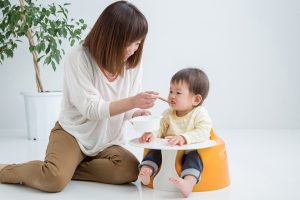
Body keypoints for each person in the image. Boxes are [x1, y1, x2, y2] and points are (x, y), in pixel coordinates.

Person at [0, 1, 159, 192]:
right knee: (54, 180)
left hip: (106, 141)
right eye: (131, 43)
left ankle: (64, 167)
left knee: (130, 170)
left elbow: (127, 107)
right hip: (73, 134)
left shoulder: (132, 64)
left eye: (138, 43)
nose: (135, 49)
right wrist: (133, 101)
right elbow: (91, 109)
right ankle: (10, 170)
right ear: (112, 39)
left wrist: (137, 113)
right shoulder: (79, 57)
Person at [138, 68, 212, 198]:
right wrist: (153, 134)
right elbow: (160, 128)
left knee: (194, 160)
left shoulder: (199, 113)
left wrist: (184, 137)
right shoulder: (168, 114)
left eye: (178, 93)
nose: (172, 95)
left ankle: (188, 183)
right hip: (167, 150)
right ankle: (146, 171)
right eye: (170, 91)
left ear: (196, 100)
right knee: (153, 153)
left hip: (189, 152)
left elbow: (204, 131)